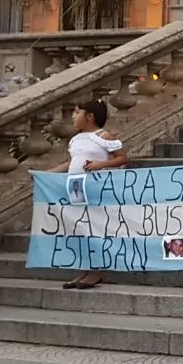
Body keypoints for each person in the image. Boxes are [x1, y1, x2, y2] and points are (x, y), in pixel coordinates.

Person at [50, 100, 128, 290]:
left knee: (95, 228)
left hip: (95, 190)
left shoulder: (103, 136)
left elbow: (122, 157)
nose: (74, 117)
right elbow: (72, 163)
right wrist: (49, 173)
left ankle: (96, 270)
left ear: (89, 116)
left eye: (77, 113)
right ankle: (84, 269)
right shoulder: (76, 139)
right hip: (76, 188)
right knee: (80, 228)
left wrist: (101, 164)